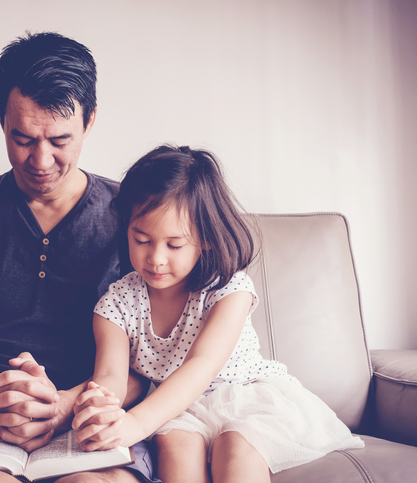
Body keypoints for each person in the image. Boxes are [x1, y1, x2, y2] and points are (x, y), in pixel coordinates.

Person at [0, 32, 155, 482]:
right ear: (1, 120)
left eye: (60, 140)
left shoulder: (138, 219)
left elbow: (147, 368)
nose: (41, 160)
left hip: (93, 417)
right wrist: (4, 401)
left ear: (90, 121)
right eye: (23, 138)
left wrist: (67, 403)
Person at [71, 144, 365, 482]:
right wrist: (101, 407)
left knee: (235, 444)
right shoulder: (117, 303)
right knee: (175, 444)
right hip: (179, 409)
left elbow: (201, 367)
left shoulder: (229, 289)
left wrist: (135, 423)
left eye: (174, 244)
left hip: (248, 398)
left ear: (205, 238)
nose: (156, 258)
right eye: (141, 240)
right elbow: (110, 377)